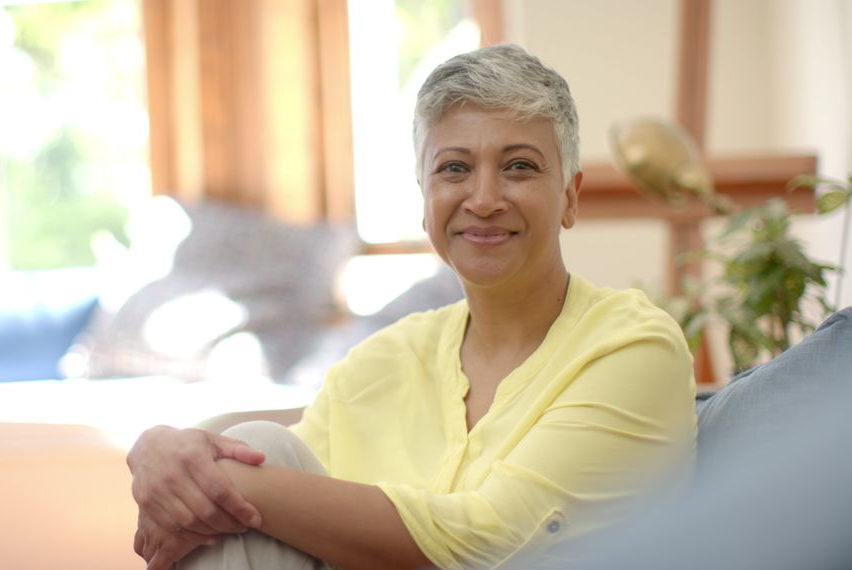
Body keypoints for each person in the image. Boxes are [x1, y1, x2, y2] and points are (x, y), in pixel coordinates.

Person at [126, 43, 697, 570]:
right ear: (425, 200)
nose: (483, 199)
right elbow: (269, 462)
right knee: (257, 448)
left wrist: (220, 486)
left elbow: (491, 542)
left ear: (570, 198)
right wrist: (163, 449)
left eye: (519, 166)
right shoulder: (383, 361)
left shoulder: (633, 348)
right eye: (454, 168)